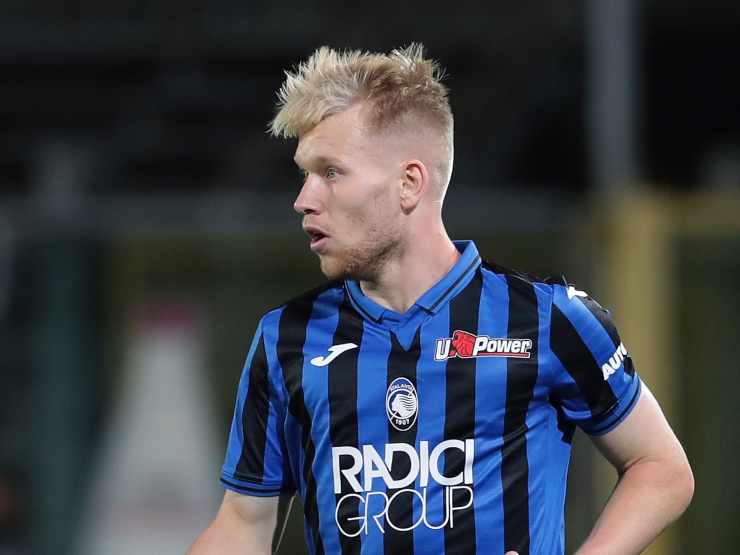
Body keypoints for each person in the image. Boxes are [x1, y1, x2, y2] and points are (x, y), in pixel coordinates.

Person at [188, 44, 694, 555]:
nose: (304, 199)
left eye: (331, 172)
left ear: (409, 184)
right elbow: (243, 525)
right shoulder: (287, 339)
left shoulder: (547, 320)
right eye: (305, 174)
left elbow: (661, 469)